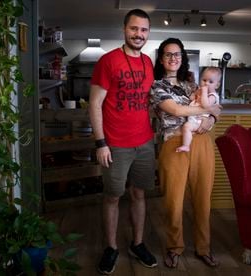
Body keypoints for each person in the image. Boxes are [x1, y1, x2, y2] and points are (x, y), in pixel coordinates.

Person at [89, 9, 157, 275]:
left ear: (148, 33)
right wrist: (100, 143)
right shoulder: (108, 61)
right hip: (115, 143)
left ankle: (137, 244)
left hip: (144, 142)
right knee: (113, 197)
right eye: (134, 29)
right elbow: (94, 104)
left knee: (139, 194)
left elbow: (150, 101)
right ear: (124, 29)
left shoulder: (149, 63)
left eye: (143, 30)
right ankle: (111, 247)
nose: (138, 34)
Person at [150, 38, 222, 268]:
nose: (173, 58)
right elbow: (177, 110)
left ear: (182, 58)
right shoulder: (157, 86)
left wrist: (211, 119)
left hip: (202, 143)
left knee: (203, 200)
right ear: (161, 59)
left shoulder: (193, 83)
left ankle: (203, 248)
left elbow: (218, 108)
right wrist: (209, 109)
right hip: (173, 144)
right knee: (173, 201)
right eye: (168, 54)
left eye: (177, 54)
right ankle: (174, 247)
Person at [176, 67, 221, 152]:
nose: (206, 84)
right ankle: (186, 145)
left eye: (210, 82)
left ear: (217, 85)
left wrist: (203, 93)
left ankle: (186, 145)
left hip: (199, 121)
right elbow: (191, 97)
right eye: (204, 80)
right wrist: (196, 94)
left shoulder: (212, 96)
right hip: (194, 118)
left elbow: (206, 106)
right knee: (187, 127)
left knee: (186, 127)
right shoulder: (199, 90)